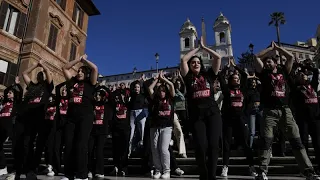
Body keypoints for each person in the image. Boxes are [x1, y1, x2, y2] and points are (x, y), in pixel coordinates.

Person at [254, 42, 319, 180]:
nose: (267, 64)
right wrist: (270, 50)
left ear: (275, 63)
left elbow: (290, 57)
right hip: (269, 112)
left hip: (286, 111)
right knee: (266, 141)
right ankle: (262, 171)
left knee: (297, 141)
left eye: (270, 62)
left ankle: (308, 171)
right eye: (266, 63)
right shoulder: (264, 74)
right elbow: (256, 57)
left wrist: (278, 48)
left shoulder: (284, 71)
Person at [180, 36, 222, 180]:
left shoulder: (209, 75)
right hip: (197, 115)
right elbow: (183, 60)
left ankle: (212, 175)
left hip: (212, 113)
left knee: (214, 145)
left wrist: (204, 48)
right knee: (200, 146)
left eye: (198, 62)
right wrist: (197, 49)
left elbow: (218, 58)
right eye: (193, 63)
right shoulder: (188, 77)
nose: (195, 64)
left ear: (201, 64)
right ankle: (203, 173)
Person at [61, 54, 98, 180]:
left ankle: (82, 175)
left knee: (81, 145)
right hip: (71, 117)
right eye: (78, 70)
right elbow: (65, 68)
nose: (79, 72)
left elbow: (95, 69)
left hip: (85, 117)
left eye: (82, 71)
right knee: (69, 144)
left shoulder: (90, 83)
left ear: (86, 73)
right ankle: (68, 174)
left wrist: (84, 60)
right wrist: (77, 60)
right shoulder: (72, 82)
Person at [21, 60, 54, 180]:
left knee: (39, 145)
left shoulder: (48, 86)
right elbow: (24, 73)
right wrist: (35, 65)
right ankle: (28, 165)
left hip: (41, 118)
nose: (41, 74)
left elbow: (49, 73)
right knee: (27, 144)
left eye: (43, 74)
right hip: (29, 118)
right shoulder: (32, 86)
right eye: (39, 74)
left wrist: (43, 65)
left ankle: (33, 168)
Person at [147, 71, 175, 179]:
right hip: (154, 126)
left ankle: (166, 171)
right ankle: (158, 170)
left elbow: (172, 85)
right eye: (160, 91)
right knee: (154, 149)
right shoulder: (155, 99)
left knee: (163, 149)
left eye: (163, 91)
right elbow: (150, 88)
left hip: (167, 127)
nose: (162, 93)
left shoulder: (170, 98)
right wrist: (156, 80)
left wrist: (163, 79)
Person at [0, 77, 23, 176]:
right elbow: (5, 90)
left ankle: (4, 167)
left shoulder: (16, 103)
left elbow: (21, 91)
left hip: (8, 127)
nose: (8, 94)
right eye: (8, 93)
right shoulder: (5, 102)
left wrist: (17, 85)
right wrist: (12, 84)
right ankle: (3, 167)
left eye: (10, 93)